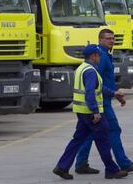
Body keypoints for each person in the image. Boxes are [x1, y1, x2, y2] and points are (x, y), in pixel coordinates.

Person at [53, 44, 128, 180]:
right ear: (94, 56)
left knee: (78, 140)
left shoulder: (82, 68)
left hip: (82, 112)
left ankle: (62, 167)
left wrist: (114, 93)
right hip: (90, 113)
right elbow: (89, 93)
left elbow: (98, 89)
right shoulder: (90, 71)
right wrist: (96, 111)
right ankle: (112, 170)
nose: (99, 57)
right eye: (98, 55)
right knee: (103, 139)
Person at [75, 29, 133, 175]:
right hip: (101, 102)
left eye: (113, 38)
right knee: (113, 130)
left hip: (102, 100)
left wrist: (115, 93)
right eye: (108, 38)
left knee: (89, 133)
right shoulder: (101, 57)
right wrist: (112, 93)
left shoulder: (105, 54)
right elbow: (95, 82)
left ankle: (81, 163)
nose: (111, 41)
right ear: (100, 40)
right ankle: (123, 163)